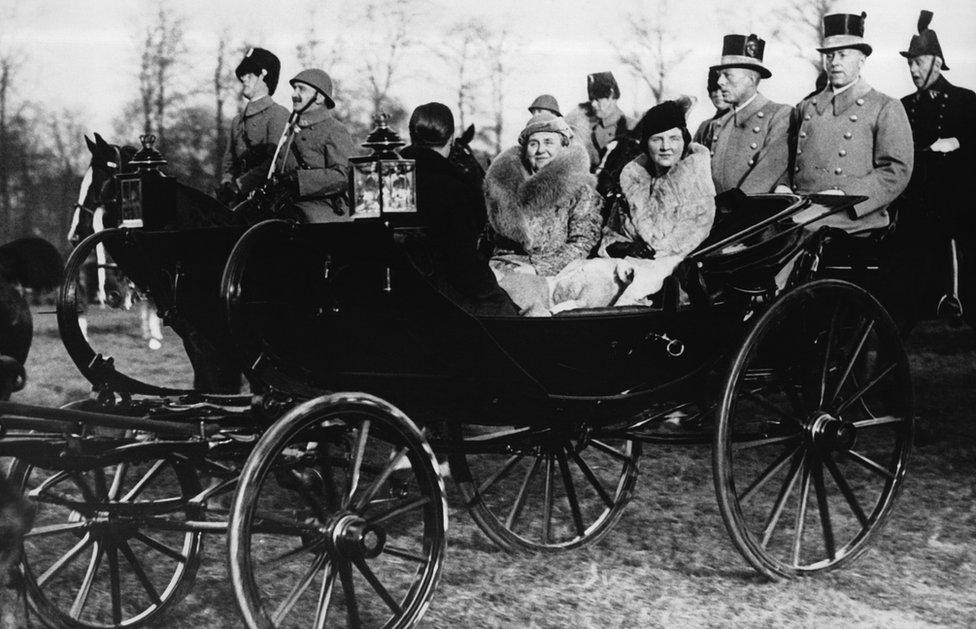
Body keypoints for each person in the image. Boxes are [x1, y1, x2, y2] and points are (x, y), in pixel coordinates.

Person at [568, 99, 715, 307]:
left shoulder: (696, 181)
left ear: (684, 141)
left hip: (670, 273)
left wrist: (645, 252)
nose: (666, 147)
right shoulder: (633, 181)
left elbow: (688, 238)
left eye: (674, 138)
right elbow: (612, 232)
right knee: (581, 280)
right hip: (625, 265)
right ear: (646, 143)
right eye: (657, 139)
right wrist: (621, 246)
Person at [778, 12, 913, 234]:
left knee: (794, 231)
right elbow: (787, 158)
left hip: (854, 212)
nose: (835, 62)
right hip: (803, 206)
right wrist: (783, 185)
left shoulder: (884, 106)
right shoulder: (806, 107)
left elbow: (896, 170)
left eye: (843, 54)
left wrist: (845, 194)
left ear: (861, 60)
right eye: (829, 55)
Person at [399, 103, 519, 316]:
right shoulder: (453, 189)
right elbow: (463, 264)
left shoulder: (391, 180)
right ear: (452, 139)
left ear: (411, 136)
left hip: (401, 289)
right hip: (441, 296)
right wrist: (494, 293)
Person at [895, 10, 976, 323]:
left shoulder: (965, 101)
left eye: (918, 62)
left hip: (959, 206)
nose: (913, 70)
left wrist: (959, 143)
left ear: (937, 63)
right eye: (909, 63)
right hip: (914, 204)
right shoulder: (902, 106)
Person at [484, 111, 602, 309]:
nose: (540, 150)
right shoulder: (503, 187)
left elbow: (583, 242)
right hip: (504, 268)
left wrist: (537, 267)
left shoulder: (580, 189)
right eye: (533, 143)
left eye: (548, 142)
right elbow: (489, 238)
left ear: (563, 146)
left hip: (558, 274)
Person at [264, 69, 357, 223]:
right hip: (286, 207)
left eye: (301, 89)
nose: (294, 94)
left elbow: (344, 175)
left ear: (319, 97)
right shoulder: (291, 130)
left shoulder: (334, 129)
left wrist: (299, 180)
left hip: (321, 212)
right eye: (294, 88)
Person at [703, 34, 791, 196]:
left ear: (750, 79)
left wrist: (736, 203)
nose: (720, 82)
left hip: (756, 217)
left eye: (727, 75)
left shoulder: (780, 116)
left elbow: (770, 168)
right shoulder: (719, 123)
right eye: (720, 75)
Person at [218, 48, 289, 205]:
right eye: (243, 74)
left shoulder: (278, 114)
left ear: (264, 76)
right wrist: (227, 182)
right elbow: (229, 161)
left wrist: (241, 185)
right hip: (237, 201)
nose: (243, 78)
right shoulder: (237, 121)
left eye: (249, 74)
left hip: (267, 202)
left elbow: (275, 163)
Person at [566, 71, 638, 170]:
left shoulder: (632, 127)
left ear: (612, 95)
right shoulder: (583, 126)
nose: (593, 104)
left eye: (598, 99)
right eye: (591, 99)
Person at [692, 68, 730, 145]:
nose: (718, 94)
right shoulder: (704, 127)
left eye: (722, 90)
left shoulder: (742, 122)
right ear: (709, 94)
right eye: (714, 89)